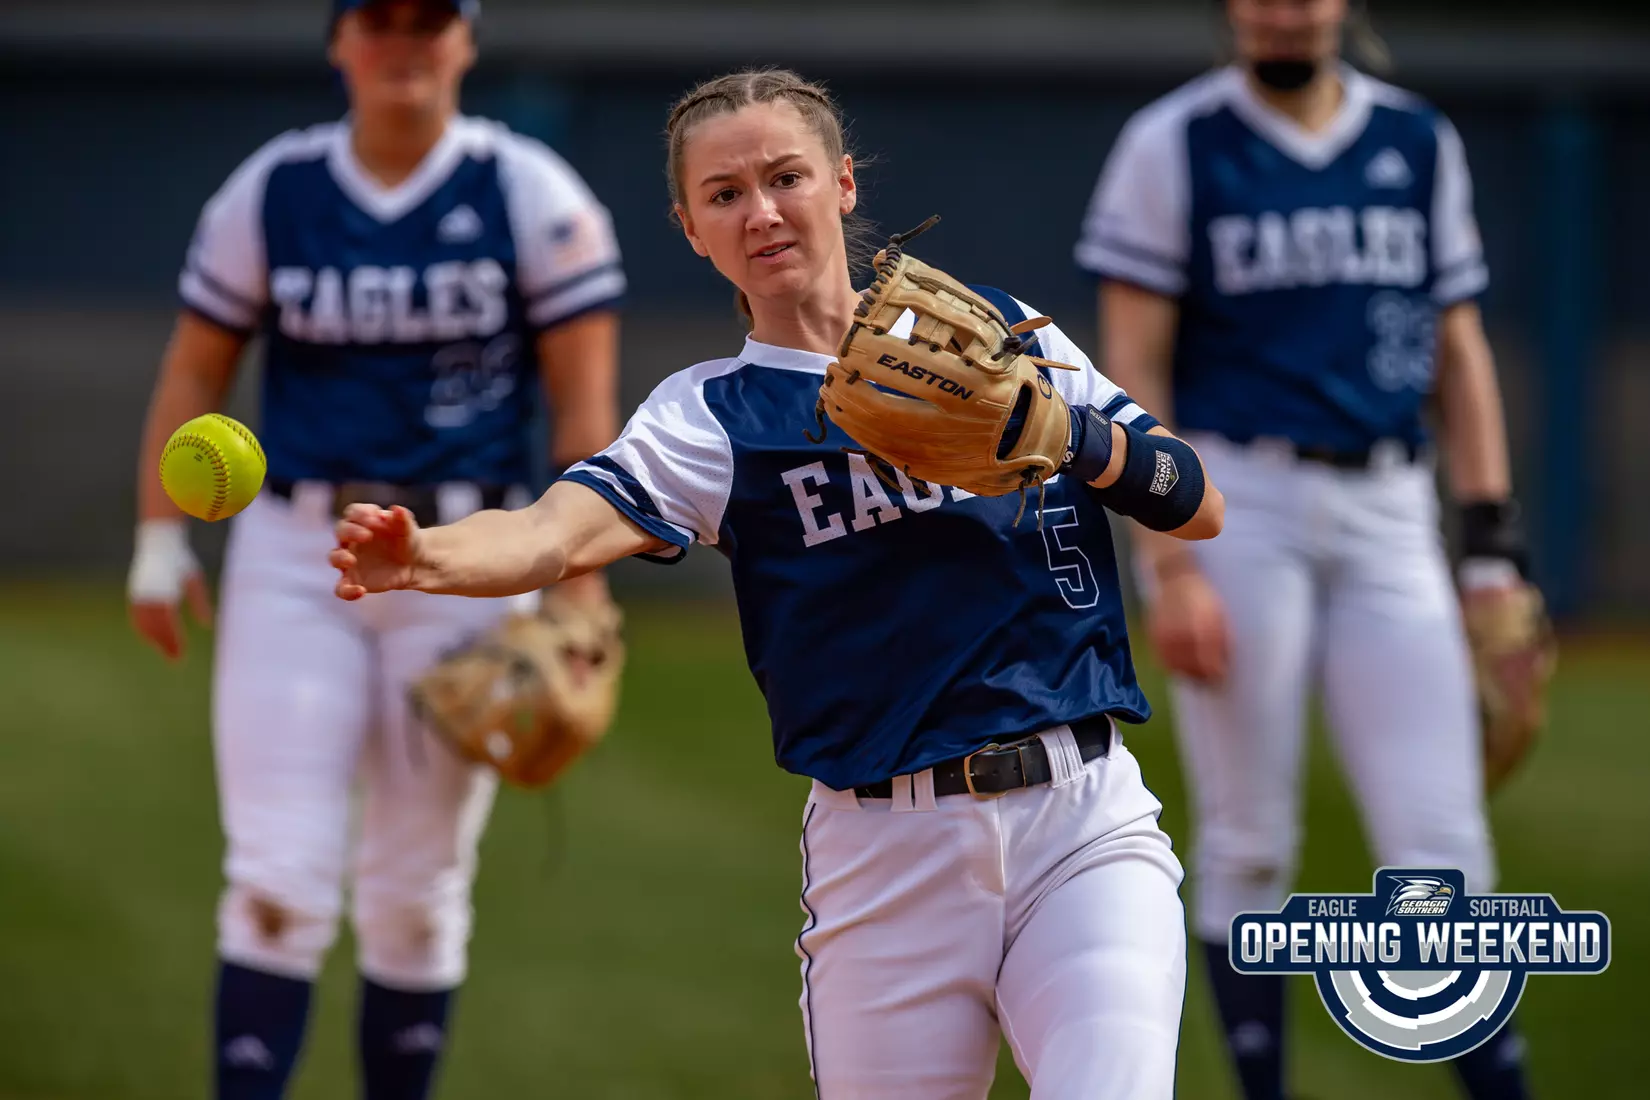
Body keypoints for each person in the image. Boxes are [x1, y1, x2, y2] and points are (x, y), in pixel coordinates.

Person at [330, 67, 1224, 1100]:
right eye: (724, 194)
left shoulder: (1001, 340)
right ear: (689, 227)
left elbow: (1195, 498)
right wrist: (429, 555)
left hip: (1083, 823)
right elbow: (549, 532)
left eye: (785, 176)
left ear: (842, 184)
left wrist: (1072, 433)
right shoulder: (709, 418)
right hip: (884, 859)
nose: (760, 211)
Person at [126, 1, 625, 1096]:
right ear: (339, 41)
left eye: (430, 18)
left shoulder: (529, 190)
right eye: (379, 17)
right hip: (297, 555)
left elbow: (584, 411)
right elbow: (196, 369)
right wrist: (160, 542)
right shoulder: (275, 189)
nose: (405, 39)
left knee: (416, 885)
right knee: (275, 874)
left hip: (461, 552)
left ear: (466, 41)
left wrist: (580, 587)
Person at [1074, 2, 1539, 1098]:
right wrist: (1170, 560)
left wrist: (1490, 548)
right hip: (1242, 498)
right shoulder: (1173, 140)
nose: (1285, 9)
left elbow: (1459, 350)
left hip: (1390, 500)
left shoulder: (1418, 138)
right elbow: (1135, 359)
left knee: (1440, 834)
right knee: (1248, 835)